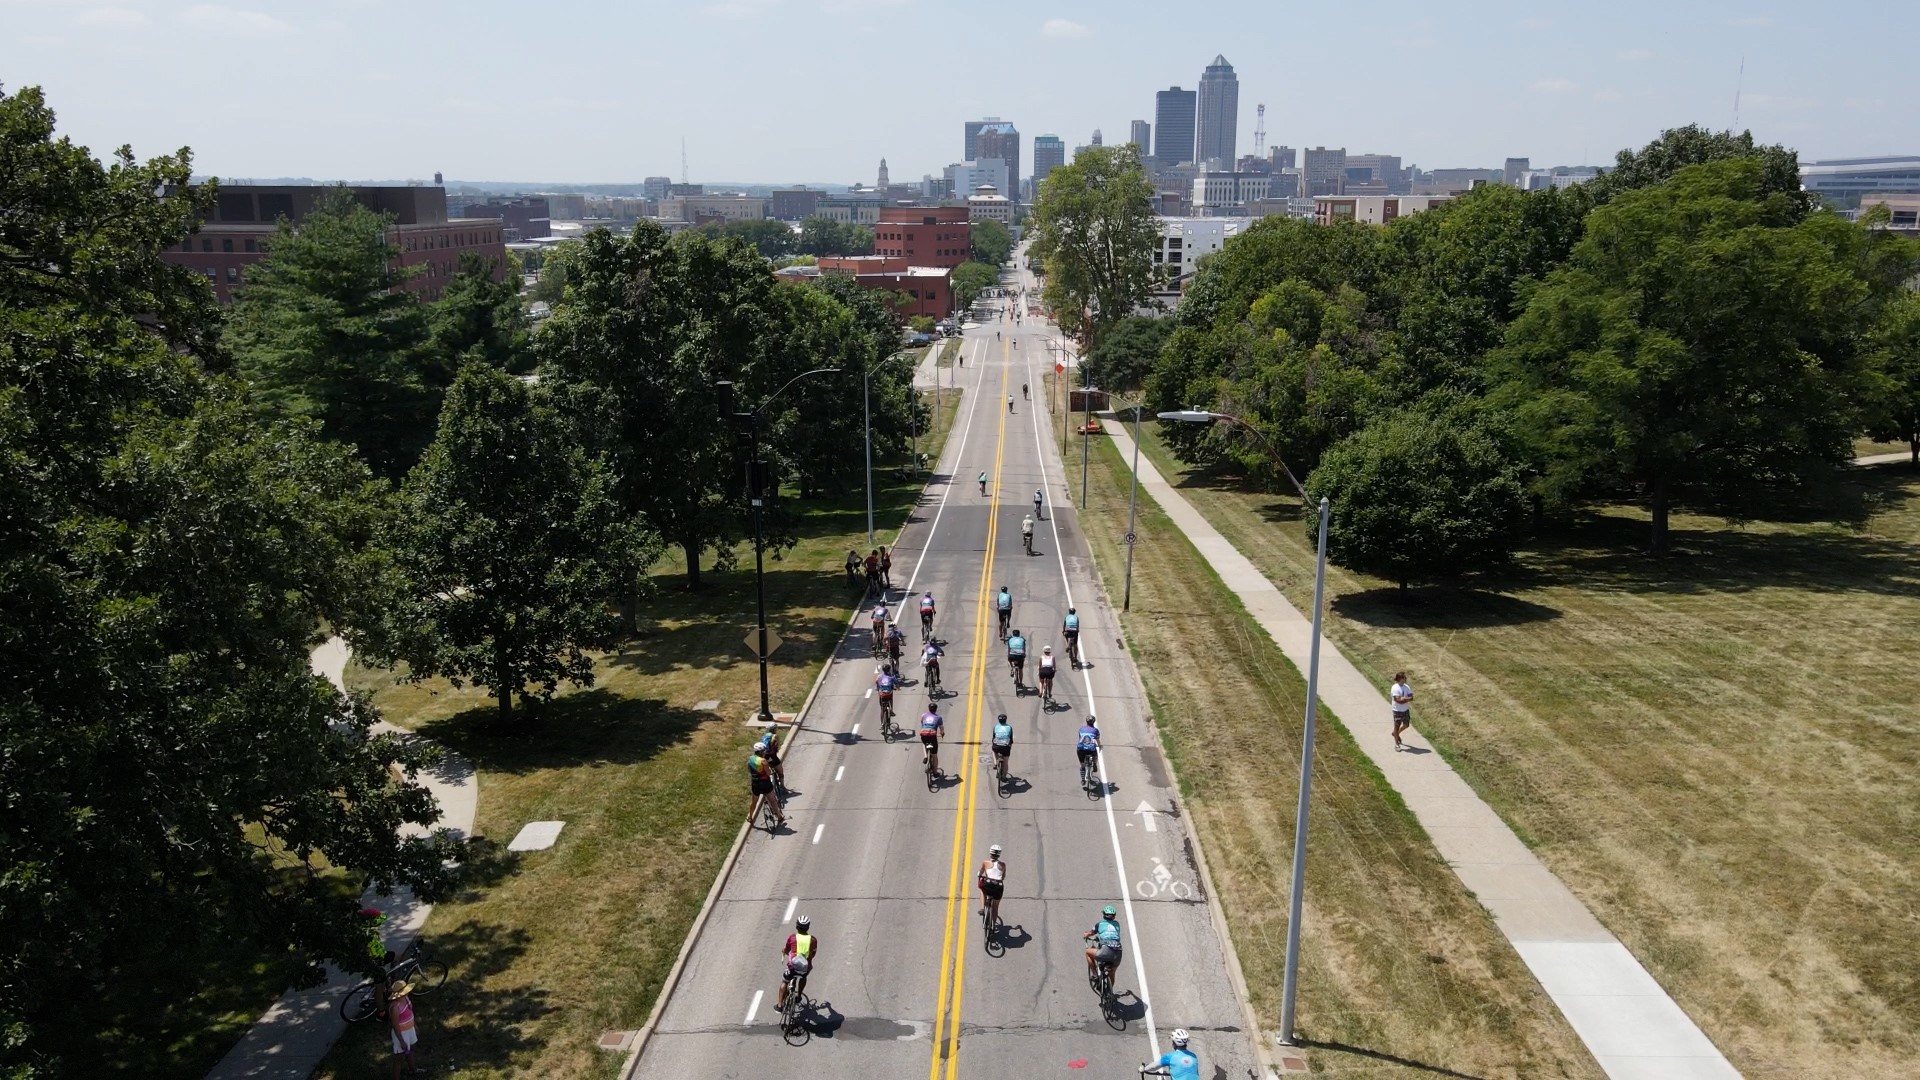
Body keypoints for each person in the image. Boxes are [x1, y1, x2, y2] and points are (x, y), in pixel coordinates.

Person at [381, 978, 421, 1079]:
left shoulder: (406, 999)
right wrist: (402, 1041)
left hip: (410, 1029)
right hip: (401, 1034)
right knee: (399, 1058)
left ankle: (413, 1070)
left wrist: (414, 1025)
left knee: (411, 1050)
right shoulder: (395, 1007)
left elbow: (411, 1012)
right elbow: (395, 1025)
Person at [777, 915, 818, 1013]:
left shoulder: (792, 938)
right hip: (804, 968)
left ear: (796, 926)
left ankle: (779, 1006)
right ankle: (799, 996)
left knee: (785, 981)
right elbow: (813, 954)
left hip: (792, 967)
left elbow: (787, 950)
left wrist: (786, 952)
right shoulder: (813, 940)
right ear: (808, 927)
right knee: (803, 977)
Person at [1083, 904, 1123, 982]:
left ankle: (1094, 974)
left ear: (1103, 915)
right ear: (1114, 916)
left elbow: (1091, 933)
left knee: (1088, 953)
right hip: (1118, 952)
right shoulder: (1117, 924)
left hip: (1105, 951)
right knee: (1112, 972)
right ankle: (1110, 992)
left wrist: (1086, 934)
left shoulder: (1100, 924)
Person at [749, 744, 785, 827]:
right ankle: (779, 817)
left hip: (755, 784)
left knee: (754, 801)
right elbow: (768, 773)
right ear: (761, 751)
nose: (765, 752)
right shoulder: (763, 761)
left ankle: (750, 816)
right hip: (765, 783)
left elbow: (749, 770)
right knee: (772, 800)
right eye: (764, 751)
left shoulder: (750, 759)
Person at [978, 843, 1007, 927]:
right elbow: (1003, 876)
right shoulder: (1003, 865)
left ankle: (983, 908)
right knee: (995, 907)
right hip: (998, 886)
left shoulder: (986, 862)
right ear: (999, 854)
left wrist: (979, 875)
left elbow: (980, 872)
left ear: (990, 853)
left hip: (988, 884)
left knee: (982, 890)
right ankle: (993, 926)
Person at [1390, 671, 1414, 750]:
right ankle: (1397, 744)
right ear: (1400, 679)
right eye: (1404, 678)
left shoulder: (1406, 686)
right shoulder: (1395, 688)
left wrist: (1404, 698)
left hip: (1405, 710)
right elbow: (1398, 701)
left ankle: (1395, 734)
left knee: (1406, 725)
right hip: (1397, 710)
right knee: (1397, 726)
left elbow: (1411, 698)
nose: (1405, 679)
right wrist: (1404, 699)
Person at [919, 702, 944, 775]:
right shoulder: (938, 717)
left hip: (924, 734)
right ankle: (935, 772)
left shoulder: (923, 715)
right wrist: (942, 733)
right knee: (934, 755)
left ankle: (926, 756)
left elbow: (922, 722)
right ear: (936, 709)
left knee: (924, 743)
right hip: (932, 736)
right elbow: (941, 728)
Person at [1076, 716, 1100, 785]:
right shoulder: (1096, 730)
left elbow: (1080, 738)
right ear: (1094, 722)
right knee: (1095, 753)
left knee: (1082, 765)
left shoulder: (1081, 729)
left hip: (1081, 749)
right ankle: (1095, 764)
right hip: (1091, 749)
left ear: (1086, 721)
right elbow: (1097, 740)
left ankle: (1083, 780)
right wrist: (1100, 746)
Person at [990, 712, 1013, 780]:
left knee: (993, 751)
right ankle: (1004, 776)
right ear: (1006, 720)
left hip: (996, 746)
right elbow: (1011, 740)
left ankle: (995, 763)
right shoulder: (1009, 727)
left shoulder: (996, 727)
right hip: (1005, 747)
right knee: (1006, 762)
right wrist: (1009, 747)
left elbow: (993, 738)